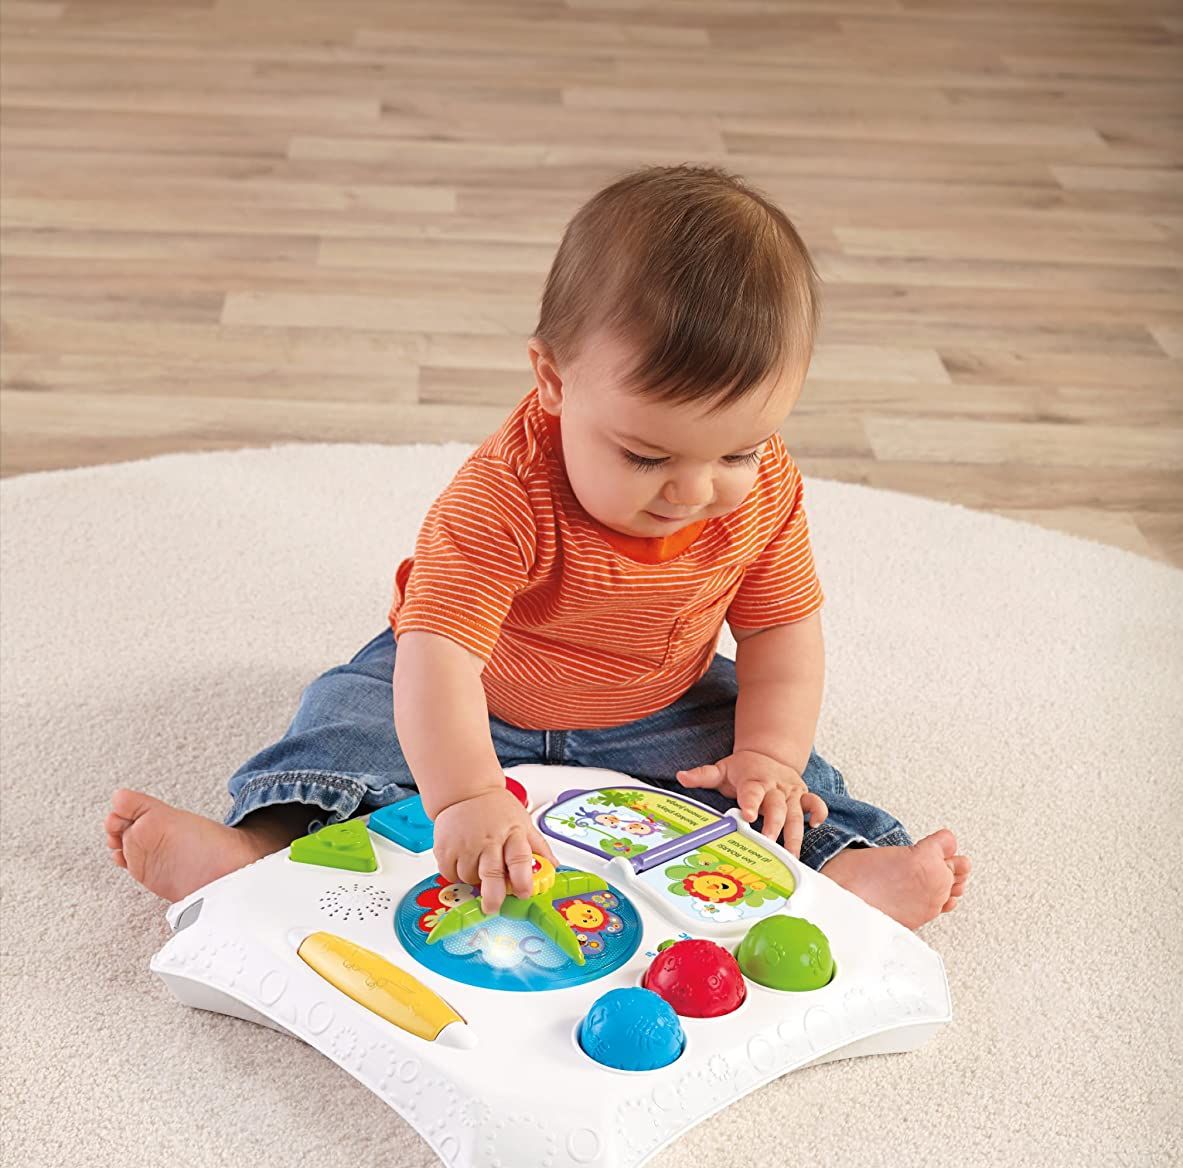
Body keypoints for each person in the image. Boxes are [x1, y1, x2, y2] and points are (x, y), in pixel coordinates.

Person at [106, 163, 970, 930]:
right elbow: (440, 656)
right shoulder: (502, 496)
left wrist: (768, 755)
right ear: (554, 381)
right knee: (346, 718)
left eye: (735, 452)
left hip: (657, 706)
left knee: (777, 770)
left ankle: (843, 867)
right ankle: (256, 849)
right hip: (476, 695)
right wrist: (466, 796)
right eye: (646, 456)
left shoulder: (766, 492)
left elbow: (781, 631)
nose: (692, 491)